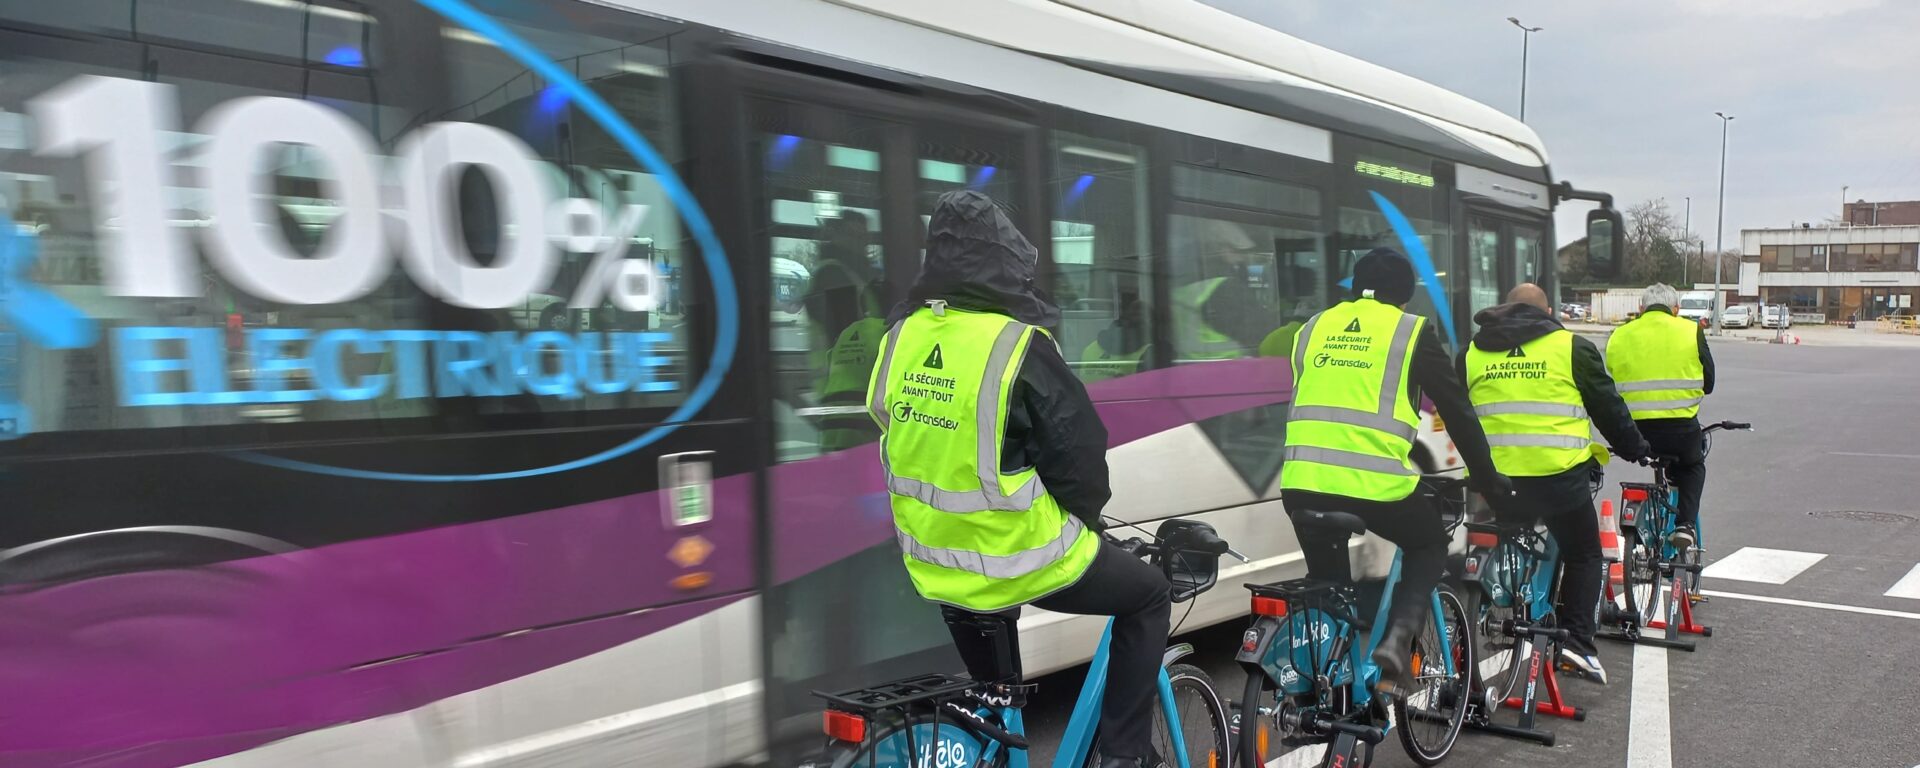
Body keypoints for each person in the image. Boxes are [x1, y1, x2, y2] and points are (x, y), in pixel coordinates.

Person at [868, 190, 1171, 768]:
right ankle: (1125, 756)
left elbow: (888, 422)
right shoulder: (1016, 344)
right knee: (1149, 597)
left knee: (996, 712)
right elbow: (1079, 456)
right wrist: (1087, 524)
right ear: (1005, 259)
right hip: (1020, 556)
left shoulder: (899, 337)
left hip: (932, 561)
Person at [1280, 248, 1511, 697]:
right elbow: (1457, 411)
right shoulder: (1410, 331)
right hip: (1372, 484)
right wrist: (1486, 477)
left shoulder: (1312, 328)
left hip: (1301, 483)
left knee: (1330, 591)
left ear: (1354, 286)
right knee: (1427, 544)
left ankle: (1327, 701)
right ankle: (1397, 642)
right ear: (1405, 297)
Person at [1458, 283, 1650, 684]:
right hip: (1557, 479)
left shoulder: (1471, 353)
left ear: (1505, 308)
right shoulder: (1571, 347)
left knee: (1502, 532)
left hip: (1494, 482)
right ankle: (1578, 643)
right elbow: (1607, 407)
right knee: (1584, 553)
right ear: (1547, 311)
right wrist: (1634, 448)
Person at [1605, 283, 1715, 548]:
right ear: (1675, 310)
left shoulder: (1619, 335)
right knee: (1691, 467)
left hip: (1632, 432)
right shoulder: (1691, 331)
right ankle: (1685, 525)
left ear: (1641, 309)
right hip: (1680, 430)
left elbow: (1607, 382)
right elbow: (1708, 383)